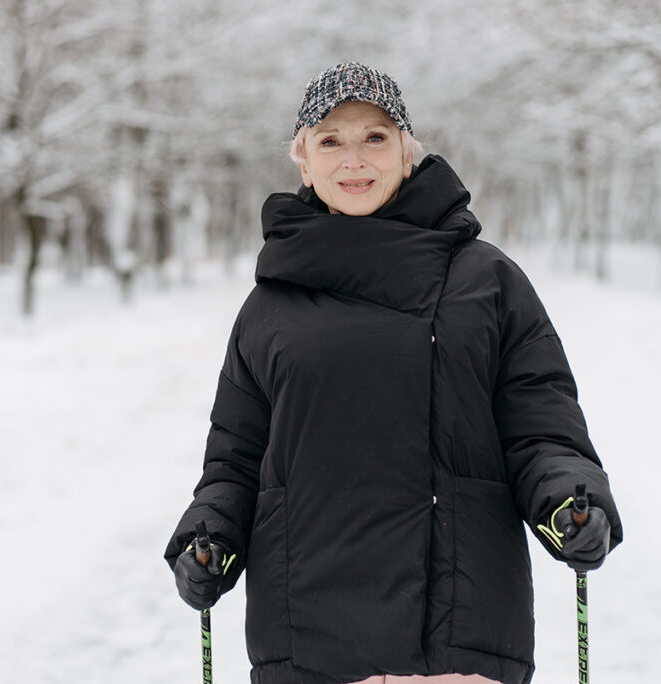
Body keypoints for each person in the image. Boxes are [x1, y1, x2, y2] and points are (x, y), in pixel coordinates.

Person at [164, 62, 622, 684]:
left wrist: (569, 496)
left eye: (375, 137)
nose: (355, 160)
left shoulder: (487, 281)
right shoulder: (270, 305)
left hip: (459, 635)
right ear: (303, 161)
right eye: (331, 141)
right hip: (308, 633)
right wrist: (209, 534)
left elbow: (540, 426)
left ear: (409, 151)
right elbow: (236, 459)